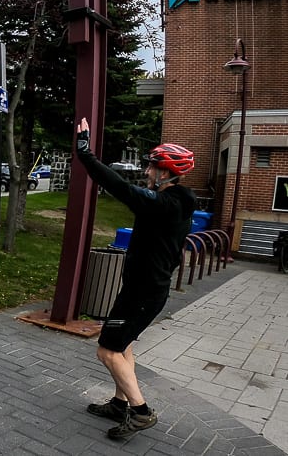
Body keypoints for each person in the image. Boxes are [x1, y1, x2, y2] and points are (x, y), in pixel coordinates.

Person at [75, 117, 196, 439]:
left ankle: (140, 412)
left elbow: (119, 187)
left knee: (107, 351)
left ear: (166, 173)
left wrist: (85, 153)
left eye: (152, 168)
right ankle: (118, 403)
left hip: (145, 292)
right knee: (122, 345)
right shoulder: (173, 202)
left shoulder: (167, 204)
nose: (146, 173)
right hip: (140, 289)